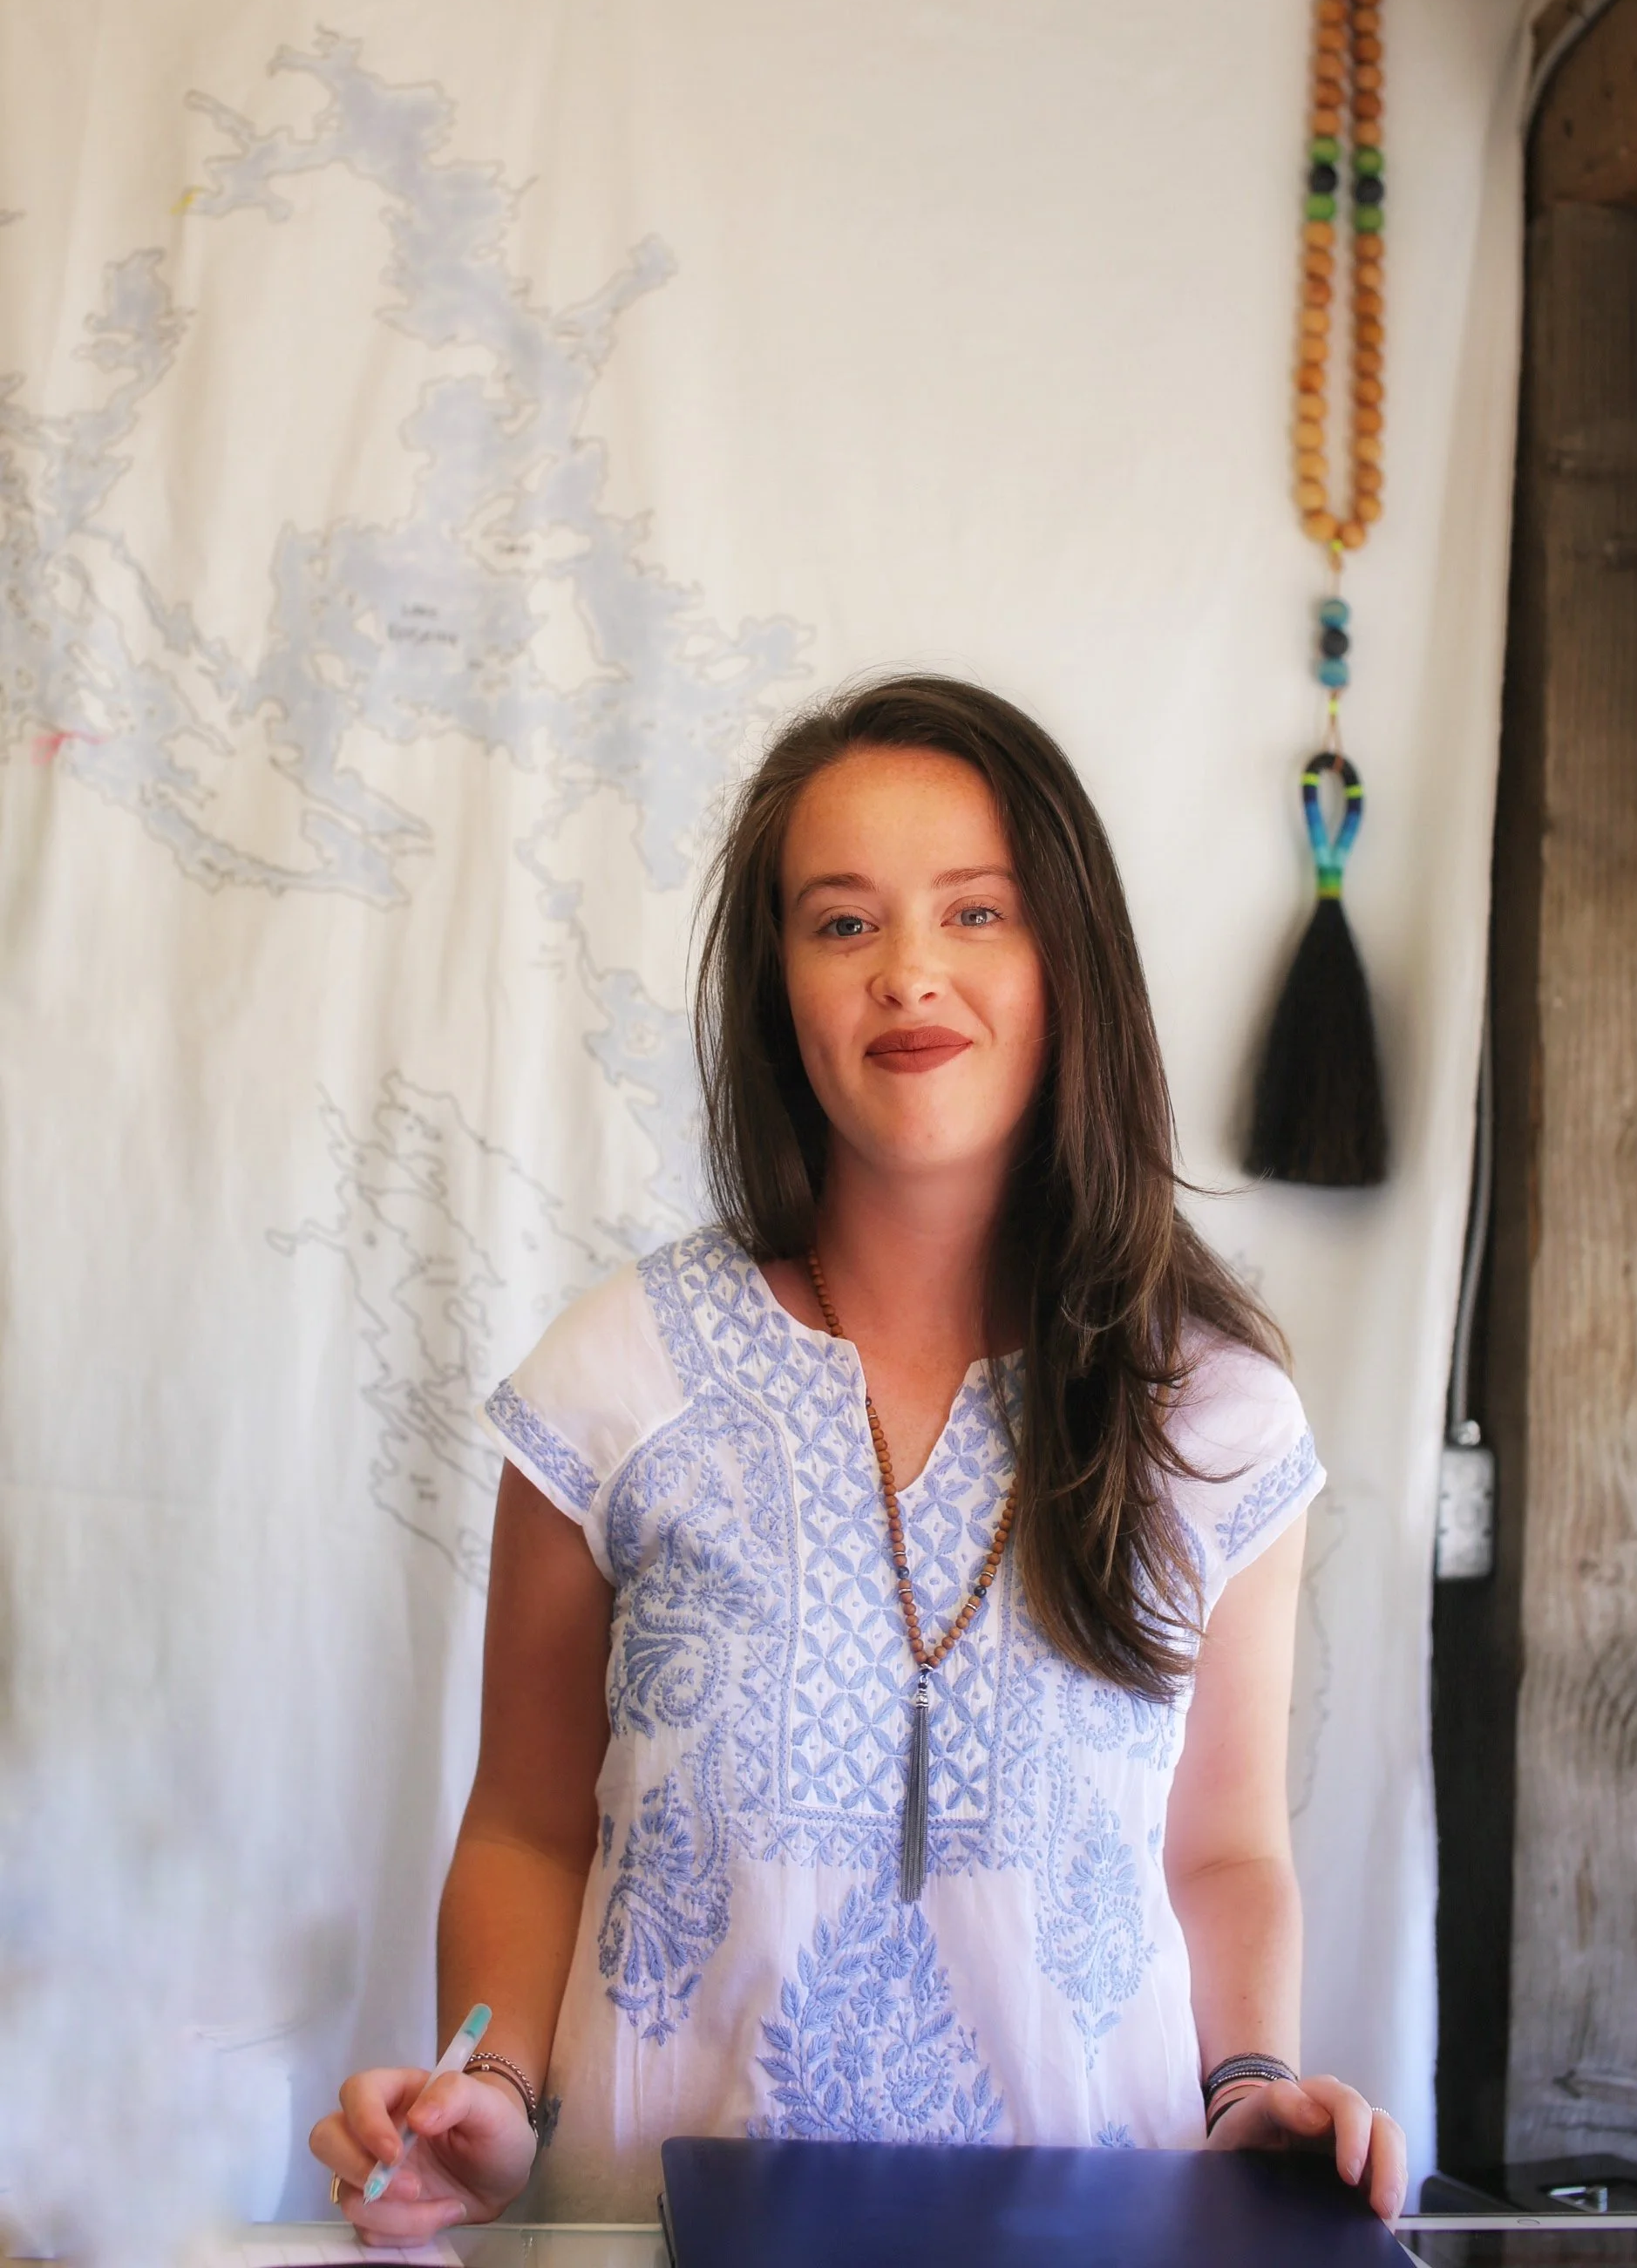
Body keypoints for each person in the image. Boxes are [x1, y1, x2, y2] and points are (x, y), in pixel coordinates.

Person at [310, 674, 1408, 2237]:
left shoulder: (1218, 1420)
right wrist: (485, 2092)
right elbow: (527, 1828)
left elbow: (1225, 1850)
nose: (909, 973)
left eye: (976, 914)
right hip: (657, 2239)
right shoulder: (611, 1382)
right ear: (777, 992)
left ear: (1071, 962)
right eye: (842, 924)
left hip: (1098, 2238)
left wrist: (1252, 2088)